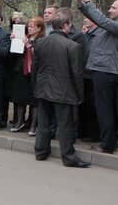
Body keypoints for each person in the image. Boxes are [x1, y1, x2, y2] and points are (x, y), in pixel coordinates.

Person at [75, 0, 118, 153]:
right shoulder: (115, 24)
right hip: (100, 68)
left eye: (113, 7)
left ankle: (107, 144)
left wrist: (88, 2)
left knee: (104, 108)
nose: (110, 10)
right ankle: (107, 141)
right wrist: (82, 4)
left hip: (105, 70)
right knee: (102, 107)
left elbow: (101, 20)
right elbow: (98, 20)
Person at [31, 9, 90, 167]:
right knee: (65, 126)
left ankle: (41, 152)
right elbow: (77, 74)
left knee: (43, 123)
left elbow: (34, 69)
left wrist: (35, 88)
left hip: (43, 89)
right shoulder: (72, 46)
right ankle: (68, 157)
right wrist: (80, 95)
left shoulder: (40, 43)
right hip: (64, 91)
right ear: (65, 26)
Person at [10, 16, 46, 133]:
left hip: (34, 73)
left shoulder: (42, 40)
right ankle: (19, 122)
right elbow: (15, 53)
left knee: (34, 101)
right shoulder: (25, 37)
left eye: (32, 27)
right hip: (21, 70)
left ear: (39, 28)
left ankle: (33, 126)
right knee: (20, 98)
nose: (29, 29)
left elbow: (40, 55)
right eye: (28, 27)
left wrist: (29, 46)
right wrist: (15, 41)